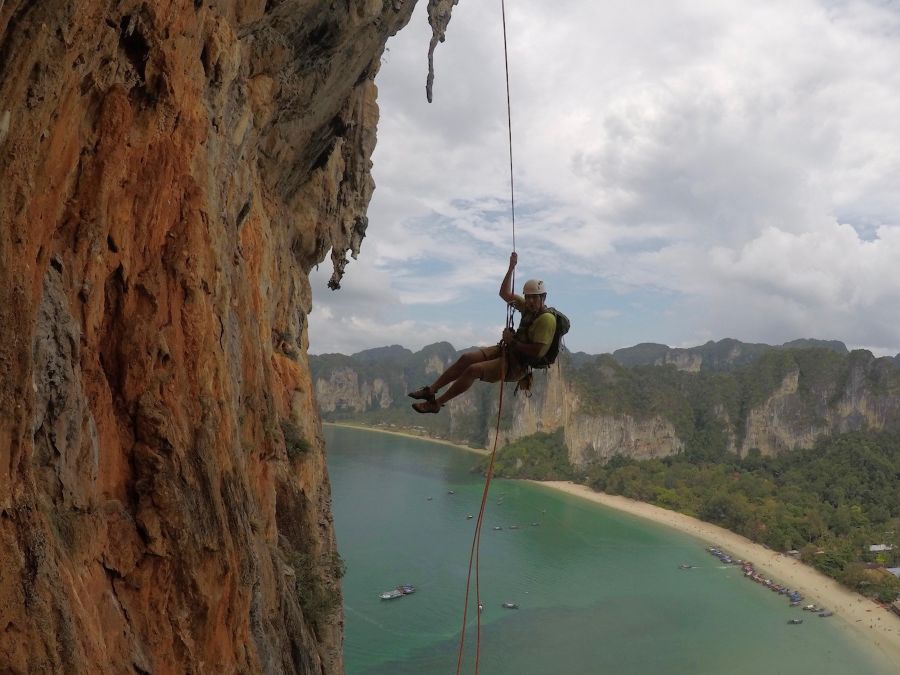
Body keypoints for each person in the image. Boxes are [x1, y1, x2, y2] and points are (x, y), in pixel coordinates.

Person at [409, 252, 556, 413]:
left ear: (543, 297)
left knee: (473, 370)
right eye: (528, 297)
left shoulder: (546, 319)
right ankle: (431, 390)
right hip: (508, 351)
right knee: (466, 358)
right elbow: (504, 293)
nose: (530, 301)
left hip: (517, 365)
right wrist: (511, 267)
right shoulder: (526, 306)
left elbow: (537, 351)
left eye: (535, 298)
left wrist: (512, 341)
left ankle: (436, 404)